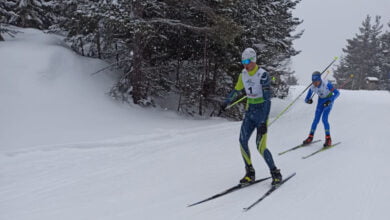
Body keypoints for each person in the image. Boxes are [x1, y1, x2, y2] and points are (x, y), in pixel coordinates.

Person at [222, 48, 282, 186]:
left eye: (247, 61)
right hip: (250, 112)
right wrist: (226, 102)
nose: (245, 64)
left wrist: (263, 122)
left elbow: (267, 100)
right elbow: (236, 90)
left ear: (254, 60)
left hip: (261, 111)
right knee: (242, 141)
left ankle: (275, 173)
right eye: (243, 61)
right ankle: (250, 173)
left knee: (260, 146)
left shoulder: (263, 75)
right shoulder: (243, 74)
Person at [303, 71, 340, 147]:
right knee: (316, 120)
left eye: (316, 81)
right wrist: (308, 101)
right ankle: (310, 137)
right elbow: (306, 99)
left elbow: (337, 93)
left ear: (319, 80)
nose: (314, 83)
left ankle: (328, 139)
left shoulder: (326, 84)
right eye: (313, 82)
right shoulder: (312, 87)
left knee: (324, 119)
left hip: (329, 100)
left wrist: (330, 100)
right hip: (320, 102)